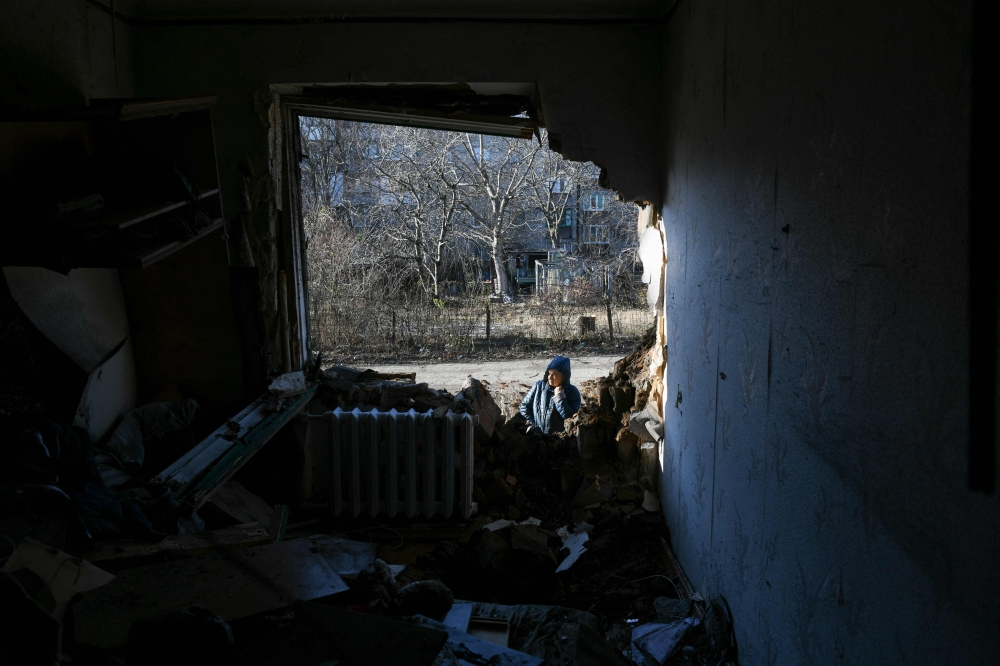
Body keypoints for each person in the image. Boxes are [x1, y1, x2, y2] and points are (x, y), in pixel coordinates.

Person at [519, 356, 582, 435]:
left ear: (563, 377)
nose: (550, 377)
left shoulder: (572, 392)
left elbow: (570, 417)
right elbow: (524, 406)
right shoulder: (539, 386)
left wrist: (559, 397)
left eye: (554, 375)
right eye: (549, 373)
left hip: (560, 439)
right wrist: (532, 422)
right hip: (538, 436)